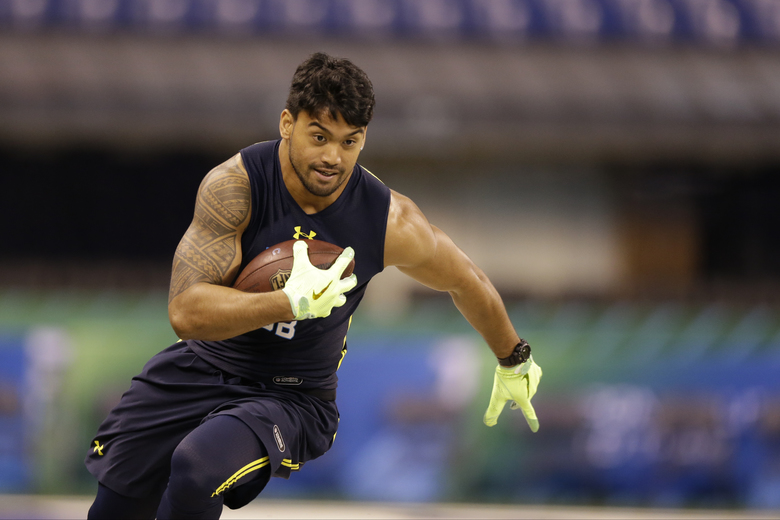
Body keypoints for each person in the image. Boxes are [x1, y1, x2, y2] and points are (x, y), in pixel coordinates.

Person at [85, 52, 543, 520]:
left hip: (291, 397)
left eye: (350, 142)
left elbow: (467, 280)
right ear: (288, 123)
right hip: (201, 366)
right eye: (319, 137)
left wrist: (514, 357)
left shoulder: (388, 221)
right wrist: (285, 302)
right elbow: (185, 312)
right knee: (111, 512)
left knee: (197, 466)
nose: (332, 157)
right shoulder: (235, 186)